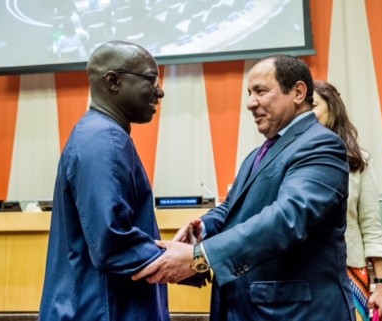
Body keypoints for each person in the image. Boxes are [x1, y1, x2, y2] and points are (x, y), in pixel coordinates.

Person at [132, 55, 356, 320]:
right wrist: (203, 228)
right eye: (249, 93)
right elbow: (233, 207)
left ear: (297, 92)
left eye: (260, 91)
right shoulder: (259, 153)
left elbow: (288, 218)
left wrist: (199, 256)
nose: (250, 103)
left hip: (294, 311)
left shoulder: (320, 145)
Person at [38, 41, 170, 321]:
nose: (159, 91)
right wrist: (191, 260)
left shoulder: (100, 134)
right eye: (150, 79)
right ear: (113, 81)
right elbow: (111, 244)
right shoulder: (103, 139)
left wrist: (169, 248)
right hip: (101, 310)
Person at [313, 79, 382, 320]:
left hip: (349, 271)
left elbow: (371, 226)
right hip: (304, 274)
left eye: (313, 105)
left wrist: (381, 284)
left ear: (332, 109)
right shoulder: (291, 159)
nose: (305, 112)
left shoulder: (358, 162)